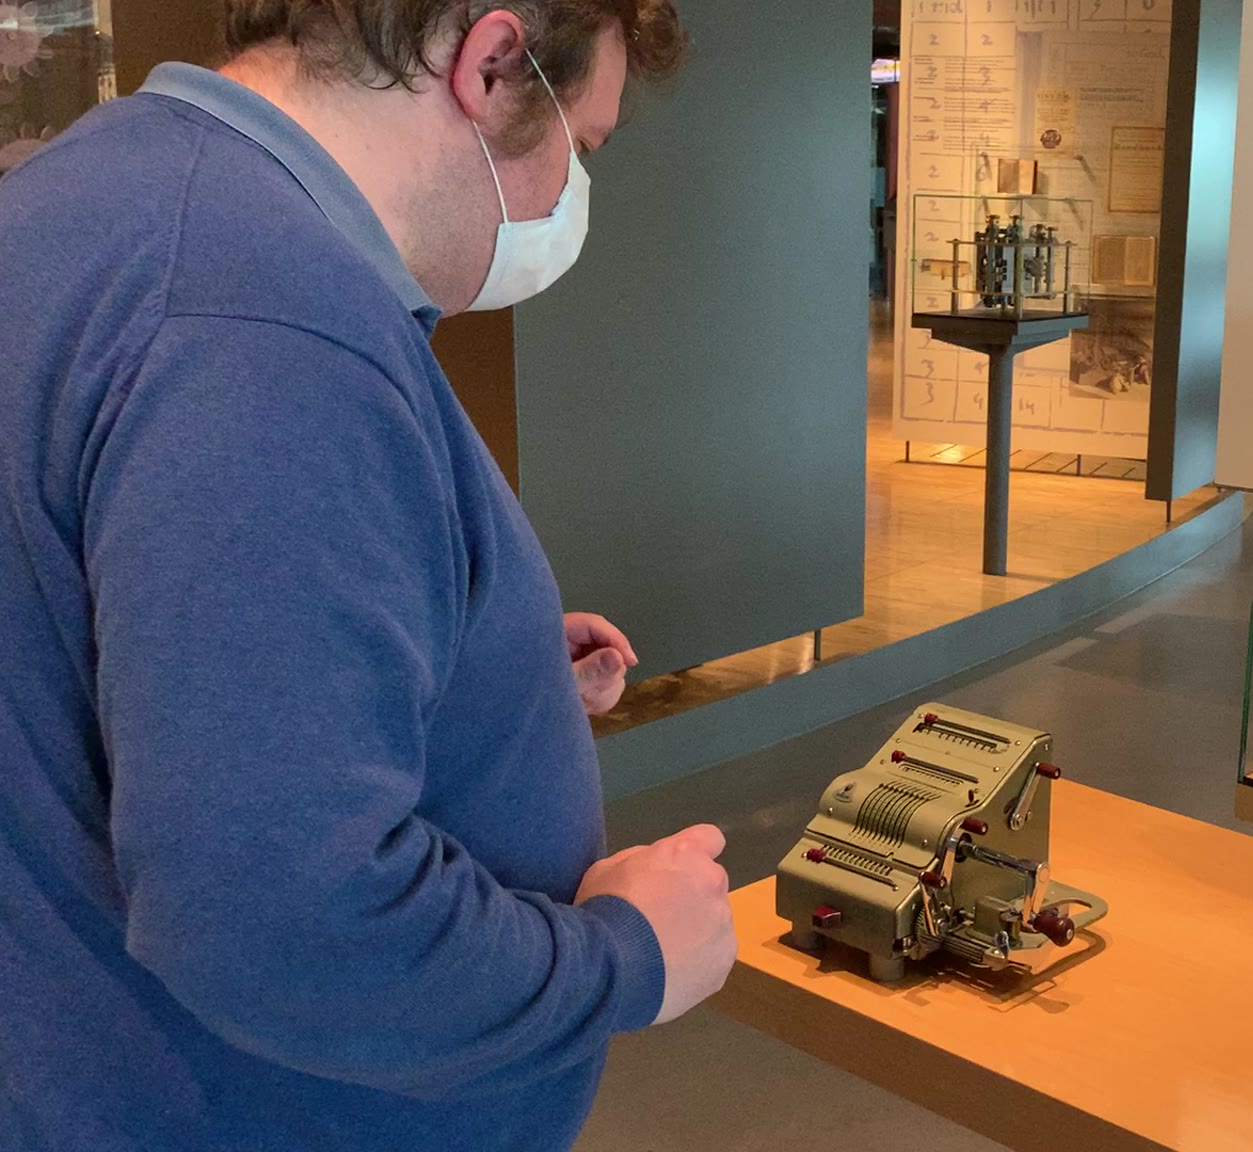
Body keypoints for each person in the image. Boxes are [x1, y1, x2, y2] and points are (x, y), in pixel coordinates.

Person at [0, 2, 737, 1148]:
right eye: (578, 147)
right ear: (491, 62)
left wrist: (473, 652)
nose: (566, 195)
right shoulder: (264, 324)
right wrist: (623, 959)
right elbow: (278, 915)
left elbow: (135, 638)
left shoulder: (95, 192)